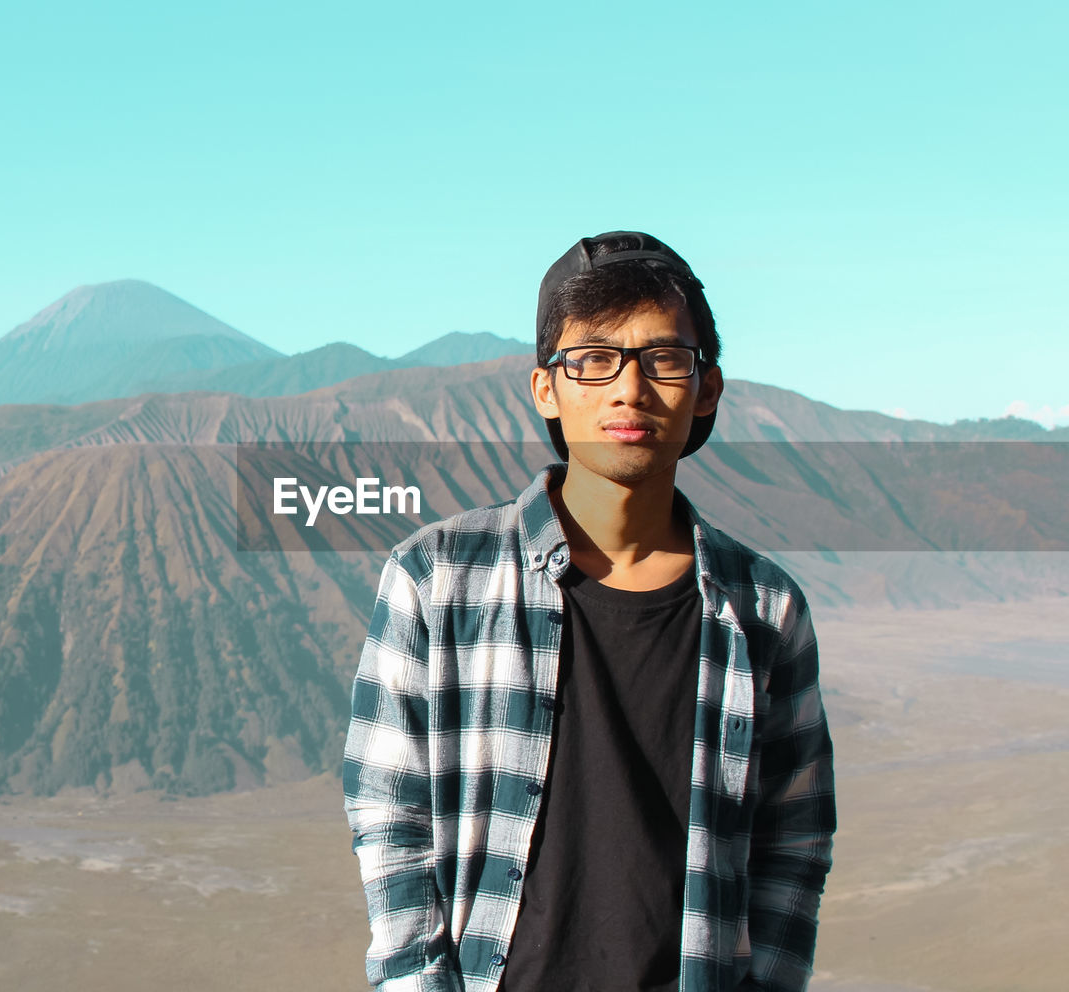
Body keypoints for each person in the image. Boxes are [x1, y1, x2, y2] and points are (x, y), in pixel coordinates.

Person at [343, 231, 836, 992]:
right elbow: (390, 820)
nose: (629, 389)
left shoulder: (764, 610)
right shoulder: (436, 579)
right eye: (593, 358)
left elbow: (793, 844)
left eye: (664, 359)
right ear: (547, 388)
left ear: (707, 388)